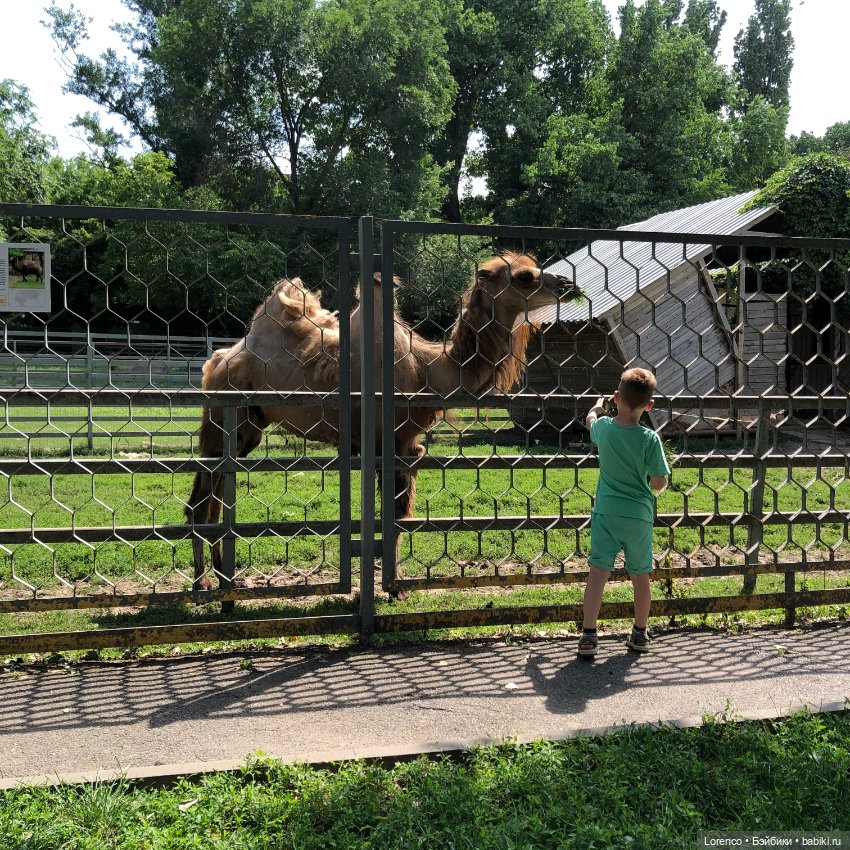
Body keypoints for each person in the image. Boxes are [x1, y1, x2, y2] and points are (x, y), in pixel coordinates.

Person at [578, 368, 670, 657]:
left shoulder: (604, 427)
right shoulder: (649, 439)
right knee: (640, 577)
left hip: (606, 513)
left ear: (616, 398)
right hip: (638, 516)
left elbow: (590, 420)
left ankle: (589, 636)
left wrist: (595, 407)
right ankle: (640, 633)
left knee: (597, 575)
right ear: (650, 405)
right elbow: (659, 482)